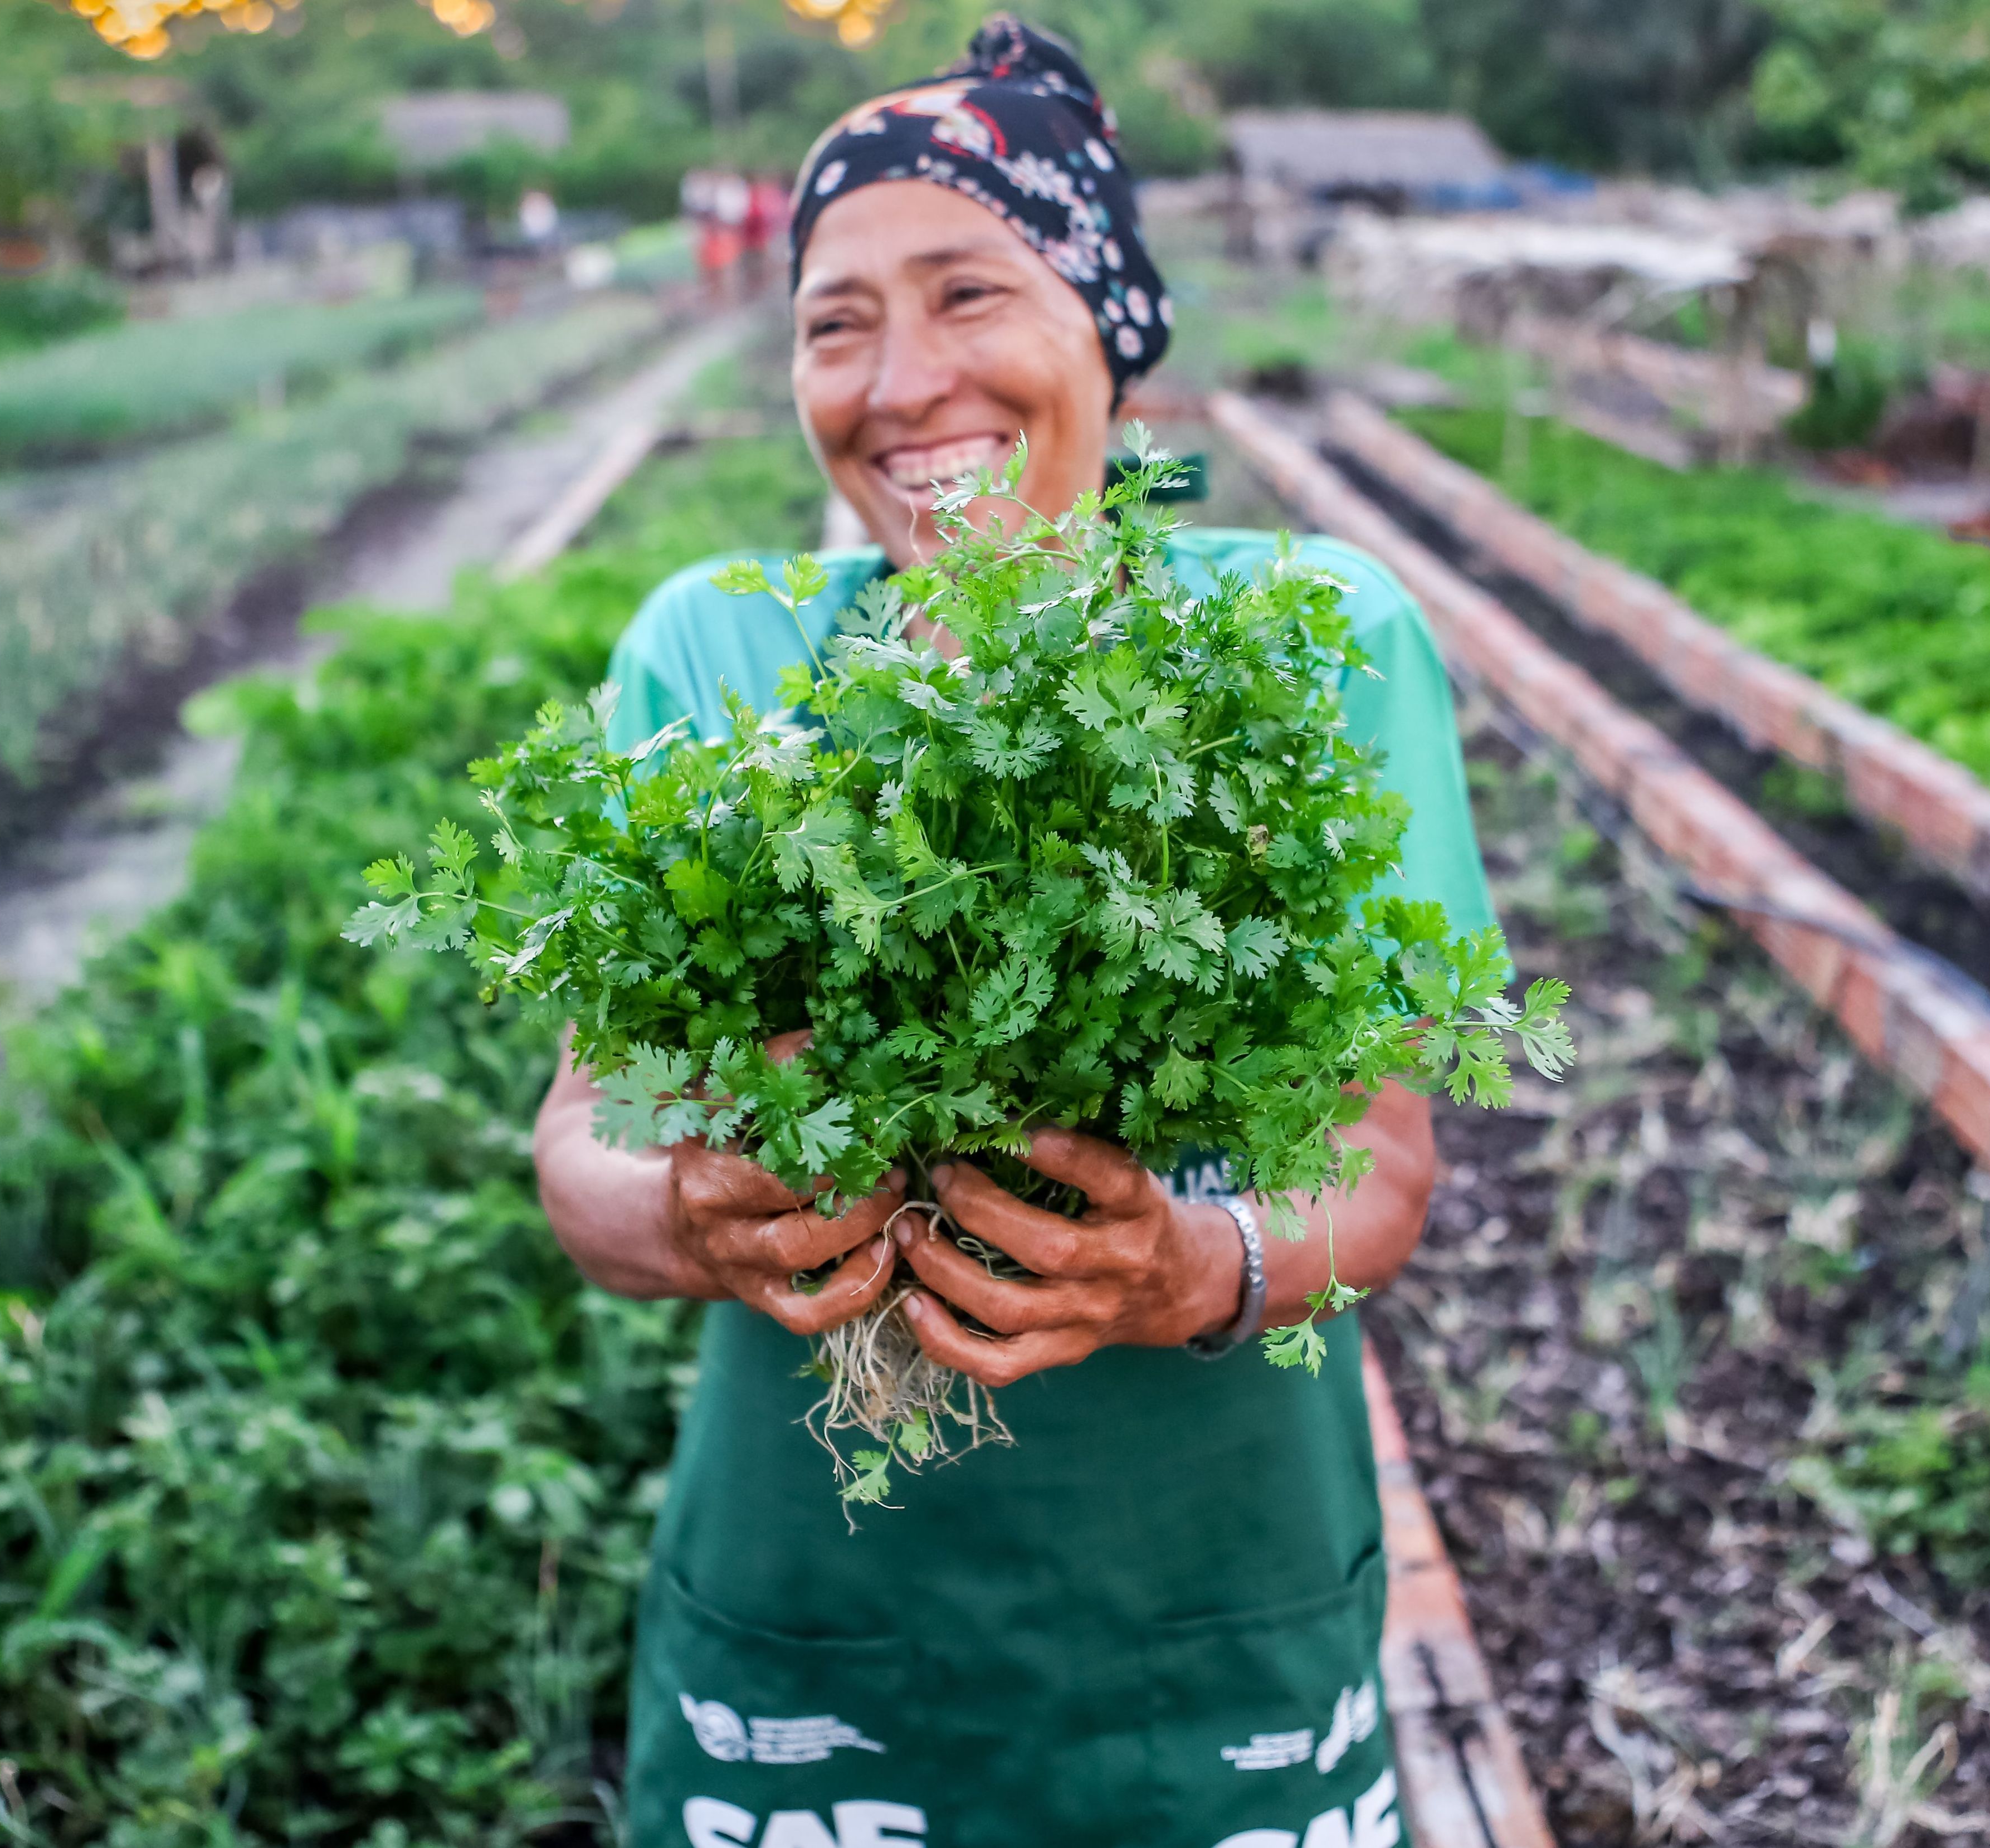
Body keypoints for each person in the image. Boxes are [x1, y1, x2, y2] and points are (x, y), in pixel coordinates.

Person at [530, 19, 1491, 1844]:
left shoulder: (1306, 645)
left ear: (1107, 329)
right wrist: (684, 1207)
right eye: (836, 320)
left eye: (970, 293)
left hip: (1213, 1613)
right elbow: (581, 1147)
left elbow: (1380, 1175)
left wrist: (1190, 1269)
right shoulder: (714, 656)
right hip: (816, 1624)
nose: (903, 383)